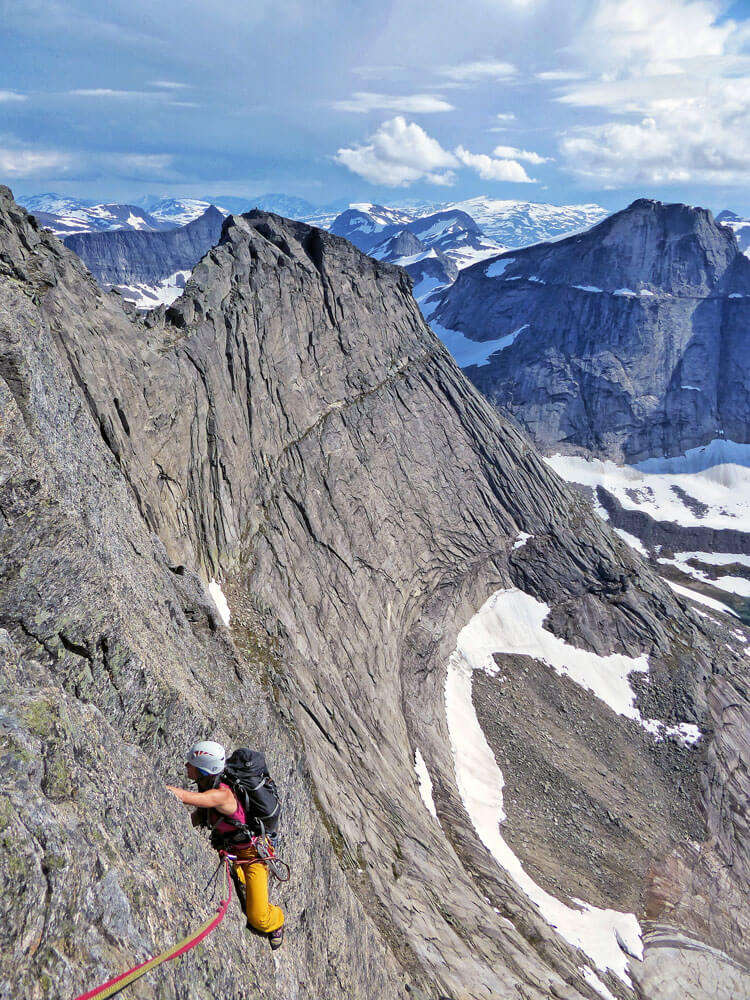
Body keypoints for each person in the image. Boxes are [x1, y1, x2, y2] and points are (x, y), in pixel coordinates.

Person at [166, 740, 285, 949]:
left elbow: (185, 797)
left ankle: (277, 921)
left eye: (191, 763)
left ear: (203, 770)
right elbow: (199, 817)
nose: (186, 765)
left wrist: (146, 781)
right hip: (234, 848)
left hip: (252, 855)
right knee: (241, 882)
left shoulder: (221, 795)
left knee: (258, 918)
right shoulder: (213, 783)